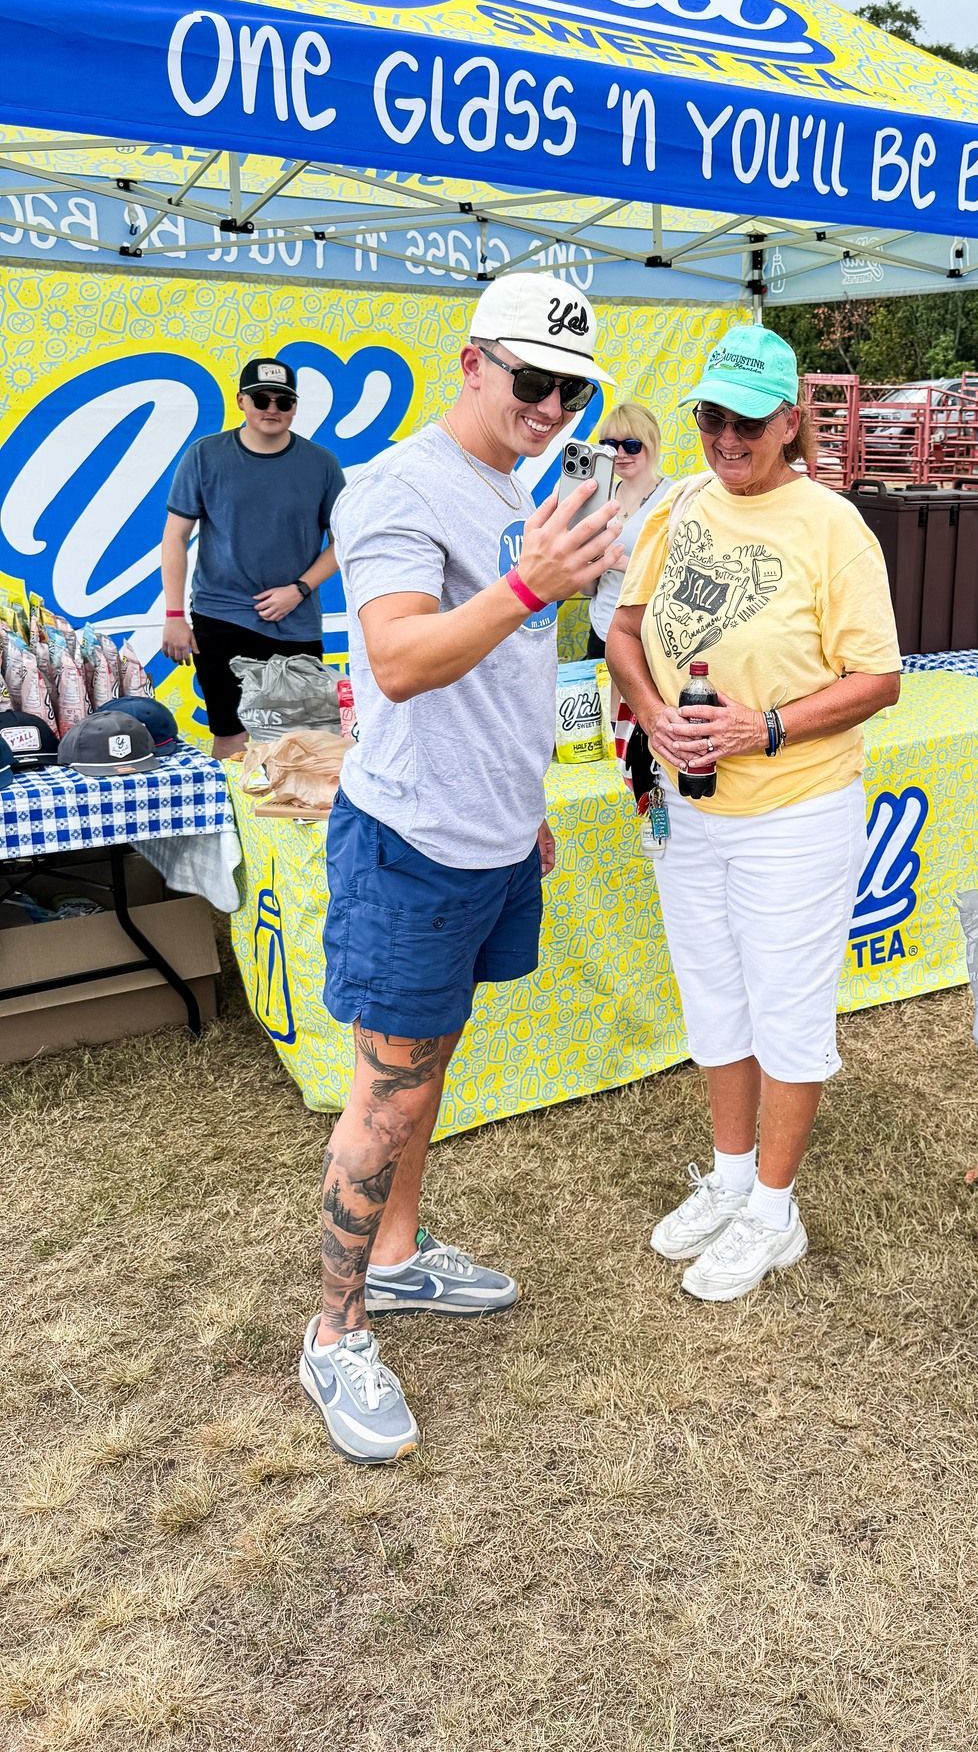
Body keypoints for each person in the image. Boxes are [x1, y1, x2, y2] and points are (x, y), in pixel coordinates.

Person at [297, 273, 621, 1465]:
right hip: (411, 843)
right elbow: (397, 658)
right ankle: (334, 1329)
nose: (550, 405)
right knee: (385, 1090)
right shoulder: (396, 484)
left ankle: (397, 1254)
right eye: (531, 379)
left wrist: (520, 801)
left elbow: (512, 673)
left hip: (492, 832)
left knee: (429, 1070)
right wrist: (532, 581)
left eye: (571, 386)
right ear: (473, 360)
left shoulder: (525, 482)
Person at [606, 324, 900, 1302]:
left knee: (786, 1005)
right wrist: (653, 716)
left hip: (793, 809)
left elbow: (878, 678)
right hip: (686, 806)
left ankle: (776, 1209)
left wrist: (762, 727)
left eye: (743, 420)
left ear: (787, 422)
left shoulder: (832, 526)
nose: (723, 437)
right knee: (713, 993)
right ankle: (731, 1174)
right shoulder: (681, 502)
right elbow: (627, 626)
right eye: (708, 417)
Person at [161, 357, 344, 758]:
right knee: (230, 736)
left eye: (283, 401)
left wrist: (299, 589)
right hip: (221, 616)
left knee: (301, 743)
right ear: (242, 401)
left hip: (295, 622)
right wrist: (174, 617)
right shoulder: (205, 455)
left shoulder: (322, 464)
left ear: (294, 407)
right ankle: (235, 822)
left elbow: (343, 541)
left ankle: (290, 823)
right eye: (262, 399)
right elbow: (175, 537)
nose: (272, 410)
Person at [583, 401, 671, 659]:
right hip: (601, 629)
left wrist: (619, 561)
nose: (619, 454)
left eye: (631, 445)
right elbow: (589, 589)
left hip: (650, 635)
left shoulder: (674, 498)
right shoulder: (597, 497)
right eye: (609, 445)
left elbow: (681, 578)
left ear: (651, 444)